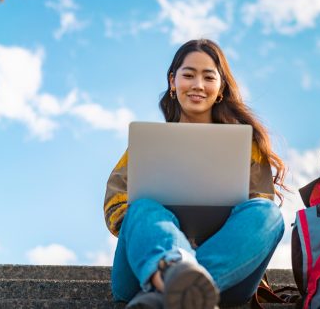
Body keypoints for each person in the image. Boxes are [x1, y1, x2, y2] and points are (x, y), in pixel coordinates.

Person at [104, 39, 287, 309]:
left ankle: (165, 293)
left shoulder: (247, 147)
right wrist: (166, 231)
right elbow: (115, 208)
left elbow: (255, 219)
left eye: (208, 77)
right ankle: (174, 275)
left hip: (229, 275)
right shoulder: (148, 143)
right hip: (141, 272)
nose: (198, 85)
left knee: (268, 214)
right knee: (141, 208)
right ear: (172, 81)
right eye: (188, 75)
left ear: (221, 87)